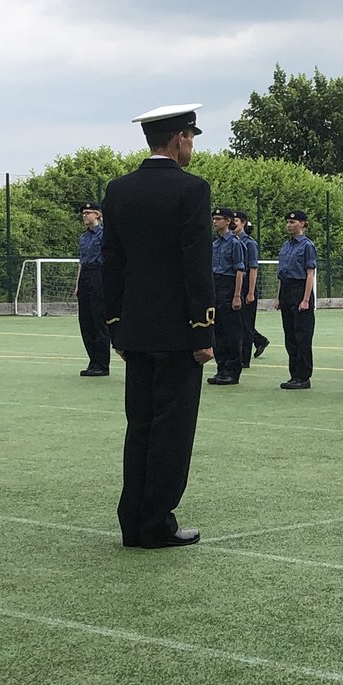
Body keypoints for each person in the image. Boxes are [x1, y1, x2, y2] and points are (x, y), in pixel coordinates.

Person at [102, 103, 214, 548]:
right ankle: (156, 521)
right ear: (180, 138)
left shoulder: (119, 190)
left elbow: (112, 263)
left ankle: (133, 517)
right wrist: (203, 330)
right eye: (191, 138)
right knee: (173, 427)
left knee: (141, 425)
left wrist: (116, 325)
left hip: (136, 330)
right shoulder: (192, 190)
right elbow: (196, 266)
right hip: (179, 331)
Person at [276, 210, 317, 389]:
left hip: (300, 289)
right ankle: (294, 374)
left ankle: (304, 376)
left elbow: (310, 273)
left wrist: (306, 299)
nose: (289, 225)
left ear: (302, 224)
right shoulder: (286, 245)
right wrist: (278, 297)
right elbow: (281, 274)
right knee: (290, 336)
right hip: (287, 289)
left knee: (303, 336)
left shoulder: (307, 245)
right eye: (288, 222)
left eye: (293, 222)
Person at [207, 207, 245, 385]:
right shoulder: (214, 244)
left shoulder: (235, 243)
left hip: (229, 286)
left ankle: (232, 370)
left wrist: (237, 295)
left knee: (232, 332)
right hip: (216, 285)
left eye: (219, 218)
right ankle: (221, 368)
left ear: (228, 221)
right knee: (218, 331)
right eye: (214, 218)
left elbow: (239, 271)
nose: (215, 221)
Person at [73, 202, 110, 377]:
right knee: (86, 321)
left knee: (98, 320)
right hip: (86, 276)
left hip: (99, 275)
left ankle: (102, 364)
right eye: (83, 213)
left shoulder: (104, 235)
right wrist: (77, 284)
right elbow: (82, 261)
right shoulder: (83, 237)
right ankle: (93, 361)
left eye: (88, 213)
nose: (84, 216)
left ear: (97, 215)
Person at [233, 211, 270, 366]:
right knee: (236, 323)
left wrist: (250, 292)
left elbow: (253, 268)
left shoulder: (249, 243)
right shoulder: (229, 241)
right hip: (235, 283)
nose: (233, 224)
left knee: (246, 324)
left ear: (243, 223)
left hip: (247, 283)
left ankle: (244, 358)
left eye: (235, 220)